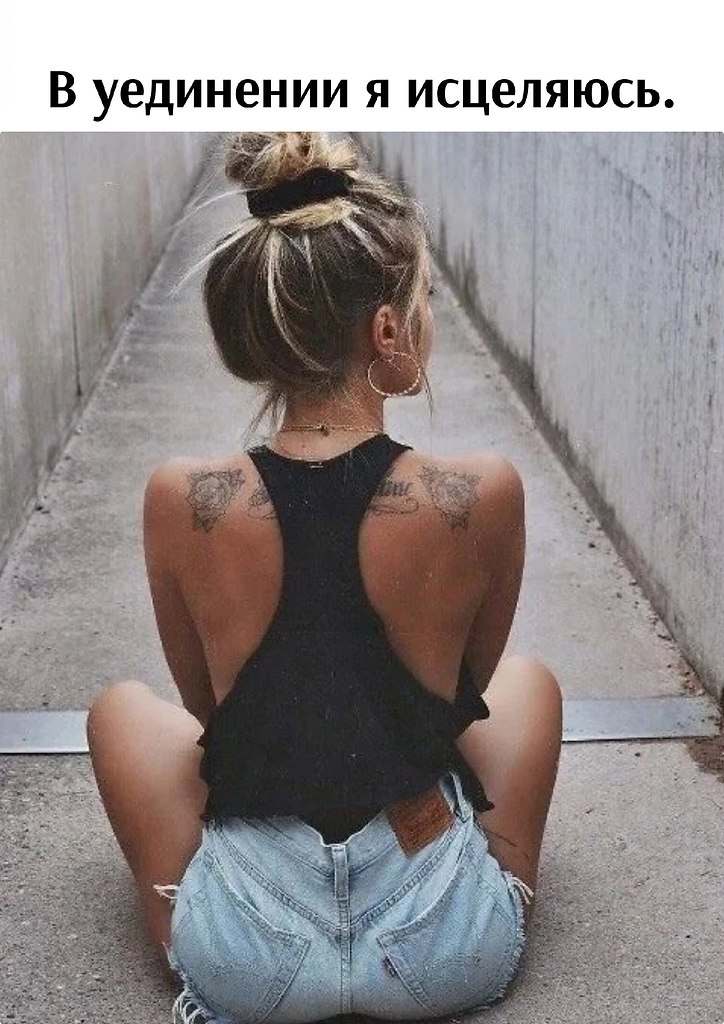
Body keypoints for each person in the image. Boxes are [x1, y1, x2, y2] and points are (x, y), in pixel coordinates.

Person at [86, 131, 563, 1023]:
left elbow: (213, 716)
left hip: (255, 961)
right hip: (437, 950)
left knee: (121, 712)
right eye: (421, 304)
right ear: (385, 331)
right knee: (529, 688)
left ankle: (198, 937)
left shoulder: (181, 498)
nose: (424, 322)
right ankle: (494, 900)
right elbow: (461, 699)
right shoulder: (483, 492)